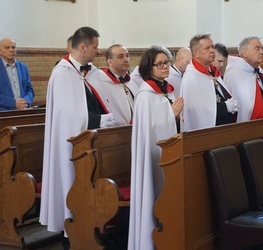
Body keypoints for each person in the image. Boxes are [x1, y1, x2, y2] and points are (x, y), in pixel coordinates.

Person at [40, 26, 116, 247]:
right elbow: (68, 115)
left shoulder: (89, 72)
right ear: (83, 47)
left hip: (92, 143)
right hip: (72, 147)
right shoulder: (62, 74)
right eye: (95, 47)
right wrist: (99, 121)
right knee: (72, 186)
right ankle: (73, 234)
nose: (98, 51)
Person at [128, 45, 183, 250]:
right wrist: (171, 115)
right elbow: (150, 129)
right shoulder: (145, 94)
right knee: (154, 193)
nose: (164, 67)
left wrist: (175, 117)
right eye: (159, 64)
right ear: (149, 68)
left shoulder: (166, 89)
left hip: (169, 152)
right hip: (153, 156)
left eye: (166, 62)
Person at [180, 33, 238, 131]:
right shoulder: (191, 77)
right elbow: (197, 112)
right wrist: (225, 107)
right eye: (207, 48)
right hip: (208, 133)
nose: (212, 50)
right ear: (196, 53)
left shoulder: (212, 72)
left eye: (212, 47)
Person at [224, 36, 263, 122]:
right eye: (257, 49)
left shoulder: (258, 71)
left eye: (262, 49)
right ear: (245, 52)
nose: (262, 52)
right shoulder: (235, 73)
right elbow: (244, 105)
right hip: (249, 126)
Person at [95, 44, 139, 125]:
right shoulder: (102, 83)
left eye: (127, 56)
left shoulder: (131, 82)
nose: (126, 59)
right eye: (120, 56)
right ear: (110, 62)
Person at [0, 38, 34, 111]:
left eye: (13, 47)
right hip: (4, 113)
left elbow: (30, 90)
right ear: (0, 51)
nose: (11, 50)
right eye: (7, 48)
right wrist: (13, 103)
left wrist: (26, 102)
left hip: (23, 111)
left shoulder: (23, 67)